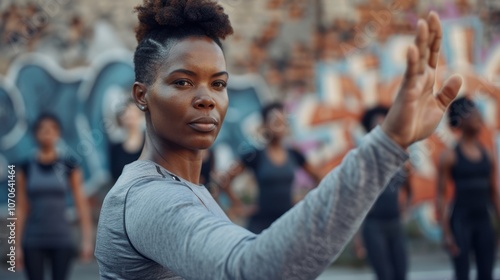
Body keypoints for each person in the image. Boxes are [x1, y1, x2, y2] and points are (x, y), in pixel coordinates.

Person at [94, 0, 463, 278]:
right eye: (182, 82)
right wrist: (389, 142)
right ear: (142, 96)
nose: (206, 97)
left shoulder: (186, 188)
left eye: (218, 83)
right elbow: (254, 270)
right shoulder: (147, 199)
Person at [220, 102, 321, 233]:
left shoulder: (294, 154)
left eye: (282, 120)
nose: (280, 125)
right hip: (261, 226)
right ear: (265, 125)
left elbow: (319, 177)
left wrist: (304, 201)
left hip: (288, 223)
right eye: (275, 121)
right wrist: (239, 205)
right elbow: (225, 180)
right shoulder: (255, 154)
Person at [16, 113, 93, 280]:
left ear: (58, 133)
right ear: (35, 134)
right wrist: (15, 246)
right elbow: (20, 208)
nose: (47, 134)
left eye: (52, 129)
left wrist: (87, 240)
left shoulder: (68, 166)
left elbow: (81, 204)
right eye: (43, 130)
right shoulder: (26, 167)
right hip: (33, 240)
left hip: (61, 239)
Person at [437, 97, 500, 280]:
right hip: (460, 223)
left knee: (486, 274)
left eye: (477, 111)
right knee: (462, 274)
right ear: (460, 120)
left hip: (483, 222)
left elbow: (494, 193)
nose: (478, 116)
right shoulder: (449, 156)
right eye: (472, 112)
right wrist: (446, 233)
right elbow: (440, 196)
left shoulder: (487, 154)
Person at [354, 106, 412, 280]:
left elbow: (409, 189)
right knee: (384, 275)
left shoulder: (400, 159)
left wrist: (405, 209)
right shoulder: (363, 160)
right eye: (376, 126)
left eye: (384, 125)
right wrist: (357, 238)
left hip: (395, 224)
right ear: (369, 131)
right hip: (374, 227)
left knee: (401, 273)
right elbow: (356, 203)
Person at [109, 98, 145, 183]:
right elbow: (114, 176)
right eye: (125, 112)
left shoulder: (150, 141)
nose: (130, 115)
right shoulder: (115, 147)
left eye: (133, 111)